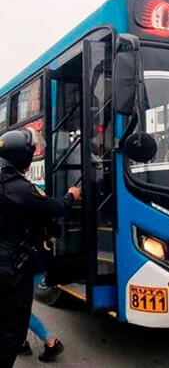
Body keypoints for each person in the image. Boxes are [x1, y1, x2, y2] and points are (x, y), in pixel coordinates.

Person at [0, 129, 80, 367]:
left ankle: (29, 340)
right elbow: (54, 208)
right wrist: (71, 195)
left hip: (9, 264)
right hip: (15, 267)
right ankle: (47, 341)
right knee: (14, 322)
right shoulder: (20, 189)